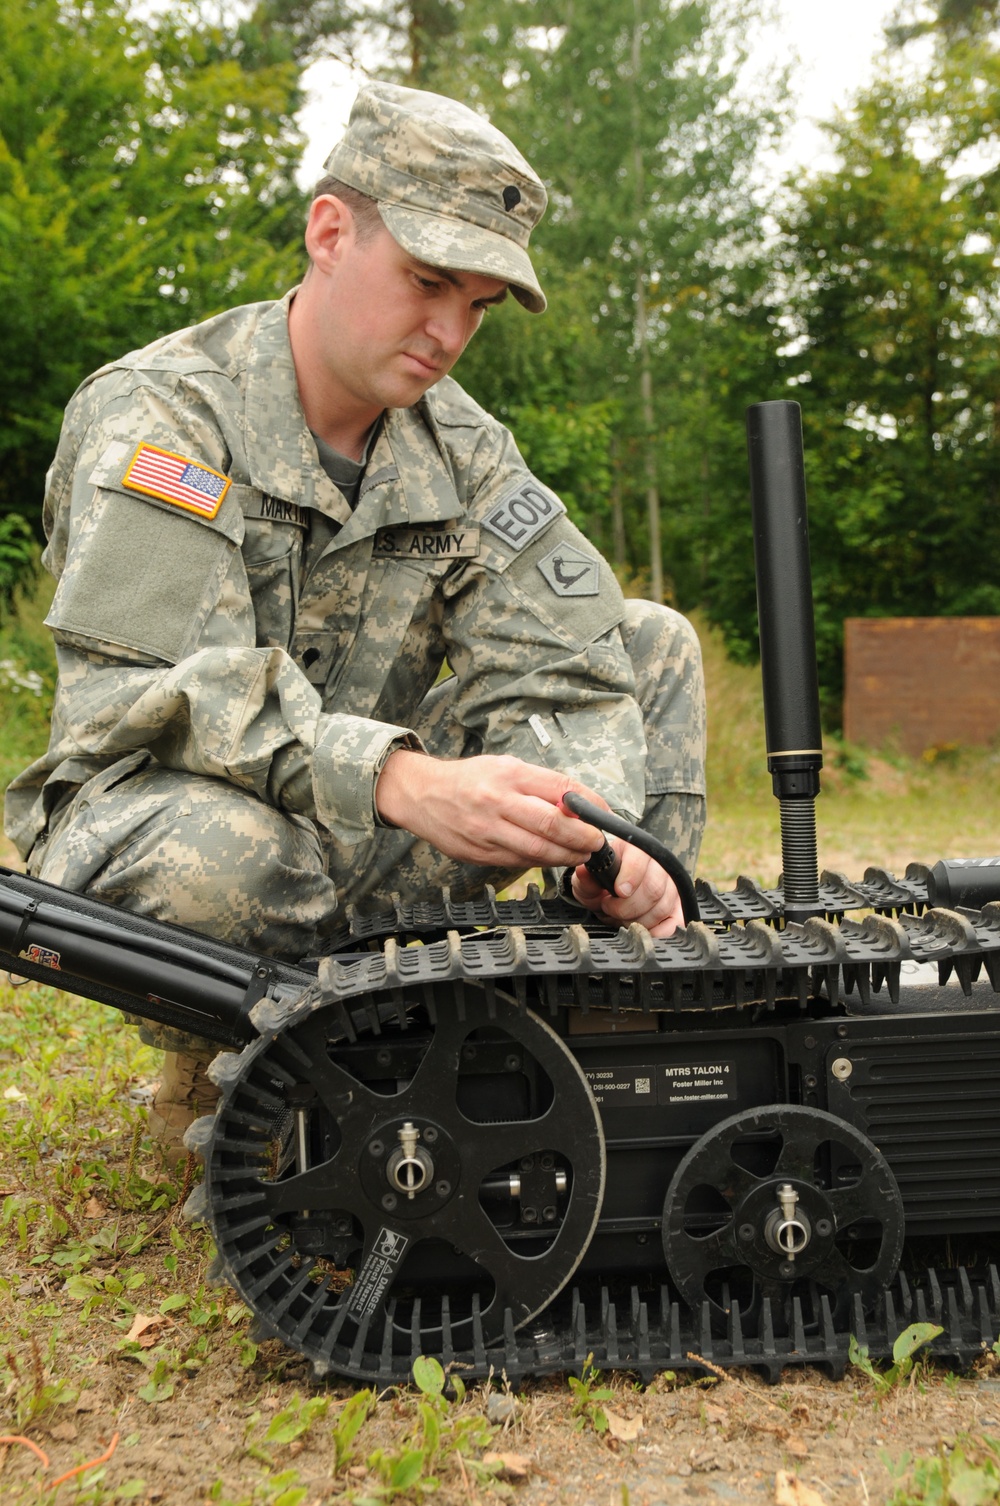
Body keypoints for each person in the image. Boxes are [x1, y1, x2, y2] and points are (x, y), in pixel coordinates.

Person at [4, 82, 706, 1160]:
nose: (448, 331)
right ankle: (247, 1073)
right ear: (330, 231)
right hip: (167, 822)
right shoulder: (164, 415)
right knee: (242, 855)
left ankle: (573, 1040)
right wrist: (403, 779)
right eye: (428, 281)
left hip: (367, 840)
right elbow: (159, 691)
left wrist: (607, 840)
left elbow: (570, 667)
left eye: (475, 303)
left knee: (651, 642)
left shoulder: (465, 449)